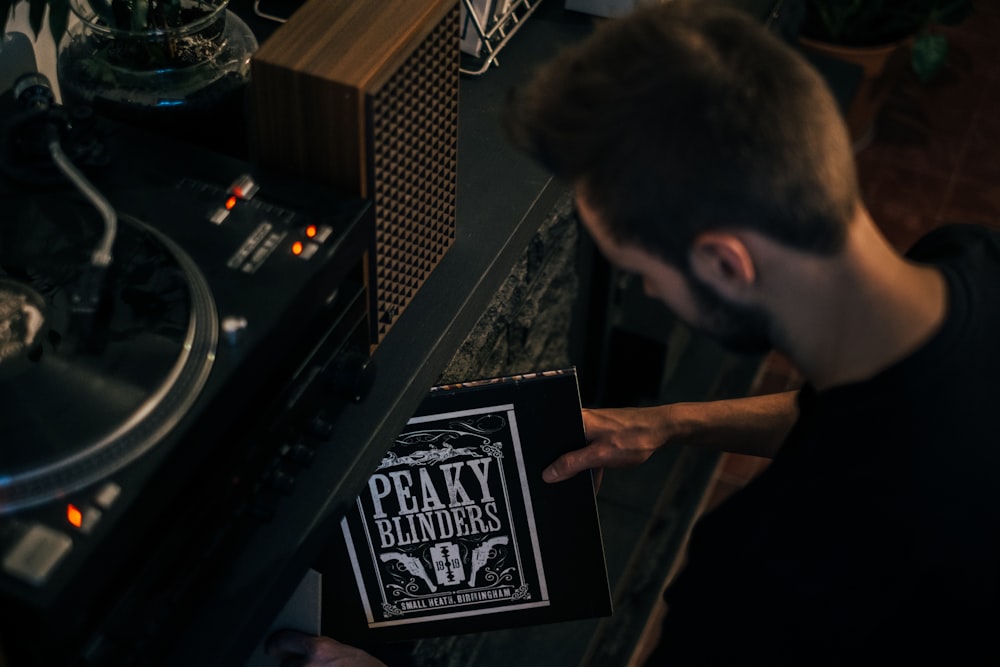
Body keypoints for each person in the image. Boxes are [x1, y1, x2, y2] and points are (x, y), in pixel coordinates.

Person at [267, 0, 1000, 664]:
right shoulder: (972, 260)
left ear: (724, 260)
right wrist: (669, 422)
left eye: (643, 269)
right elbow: (862, 414)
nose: (649, 291)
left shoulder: (773, 573)